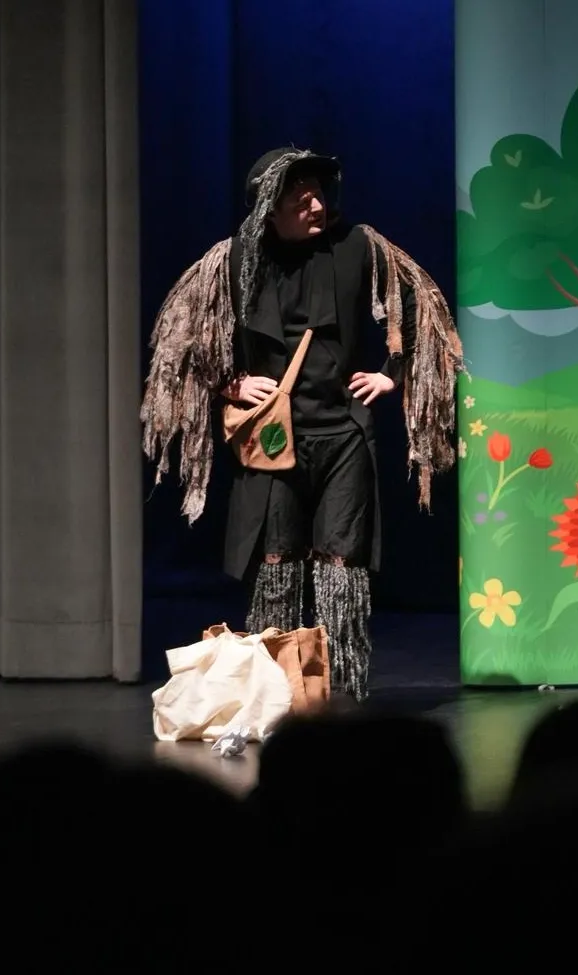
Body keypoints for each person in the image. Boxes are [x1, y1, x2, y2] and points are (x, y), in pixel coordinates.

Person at [141, 146, 464, 703]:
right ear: (270, 209)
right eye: (301, 199)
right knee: (276, 565)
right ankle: (277, 696)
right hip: (272, 440)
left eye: (318, 194)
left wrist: (391, 374)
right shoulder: (234, 259)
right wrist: (230, 383)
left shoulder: (358, 245)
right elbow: (182, 340)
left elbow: (423, 309)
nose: (317, 206)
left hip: (342, 436)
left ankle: (342, 696)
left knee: (342, 567)